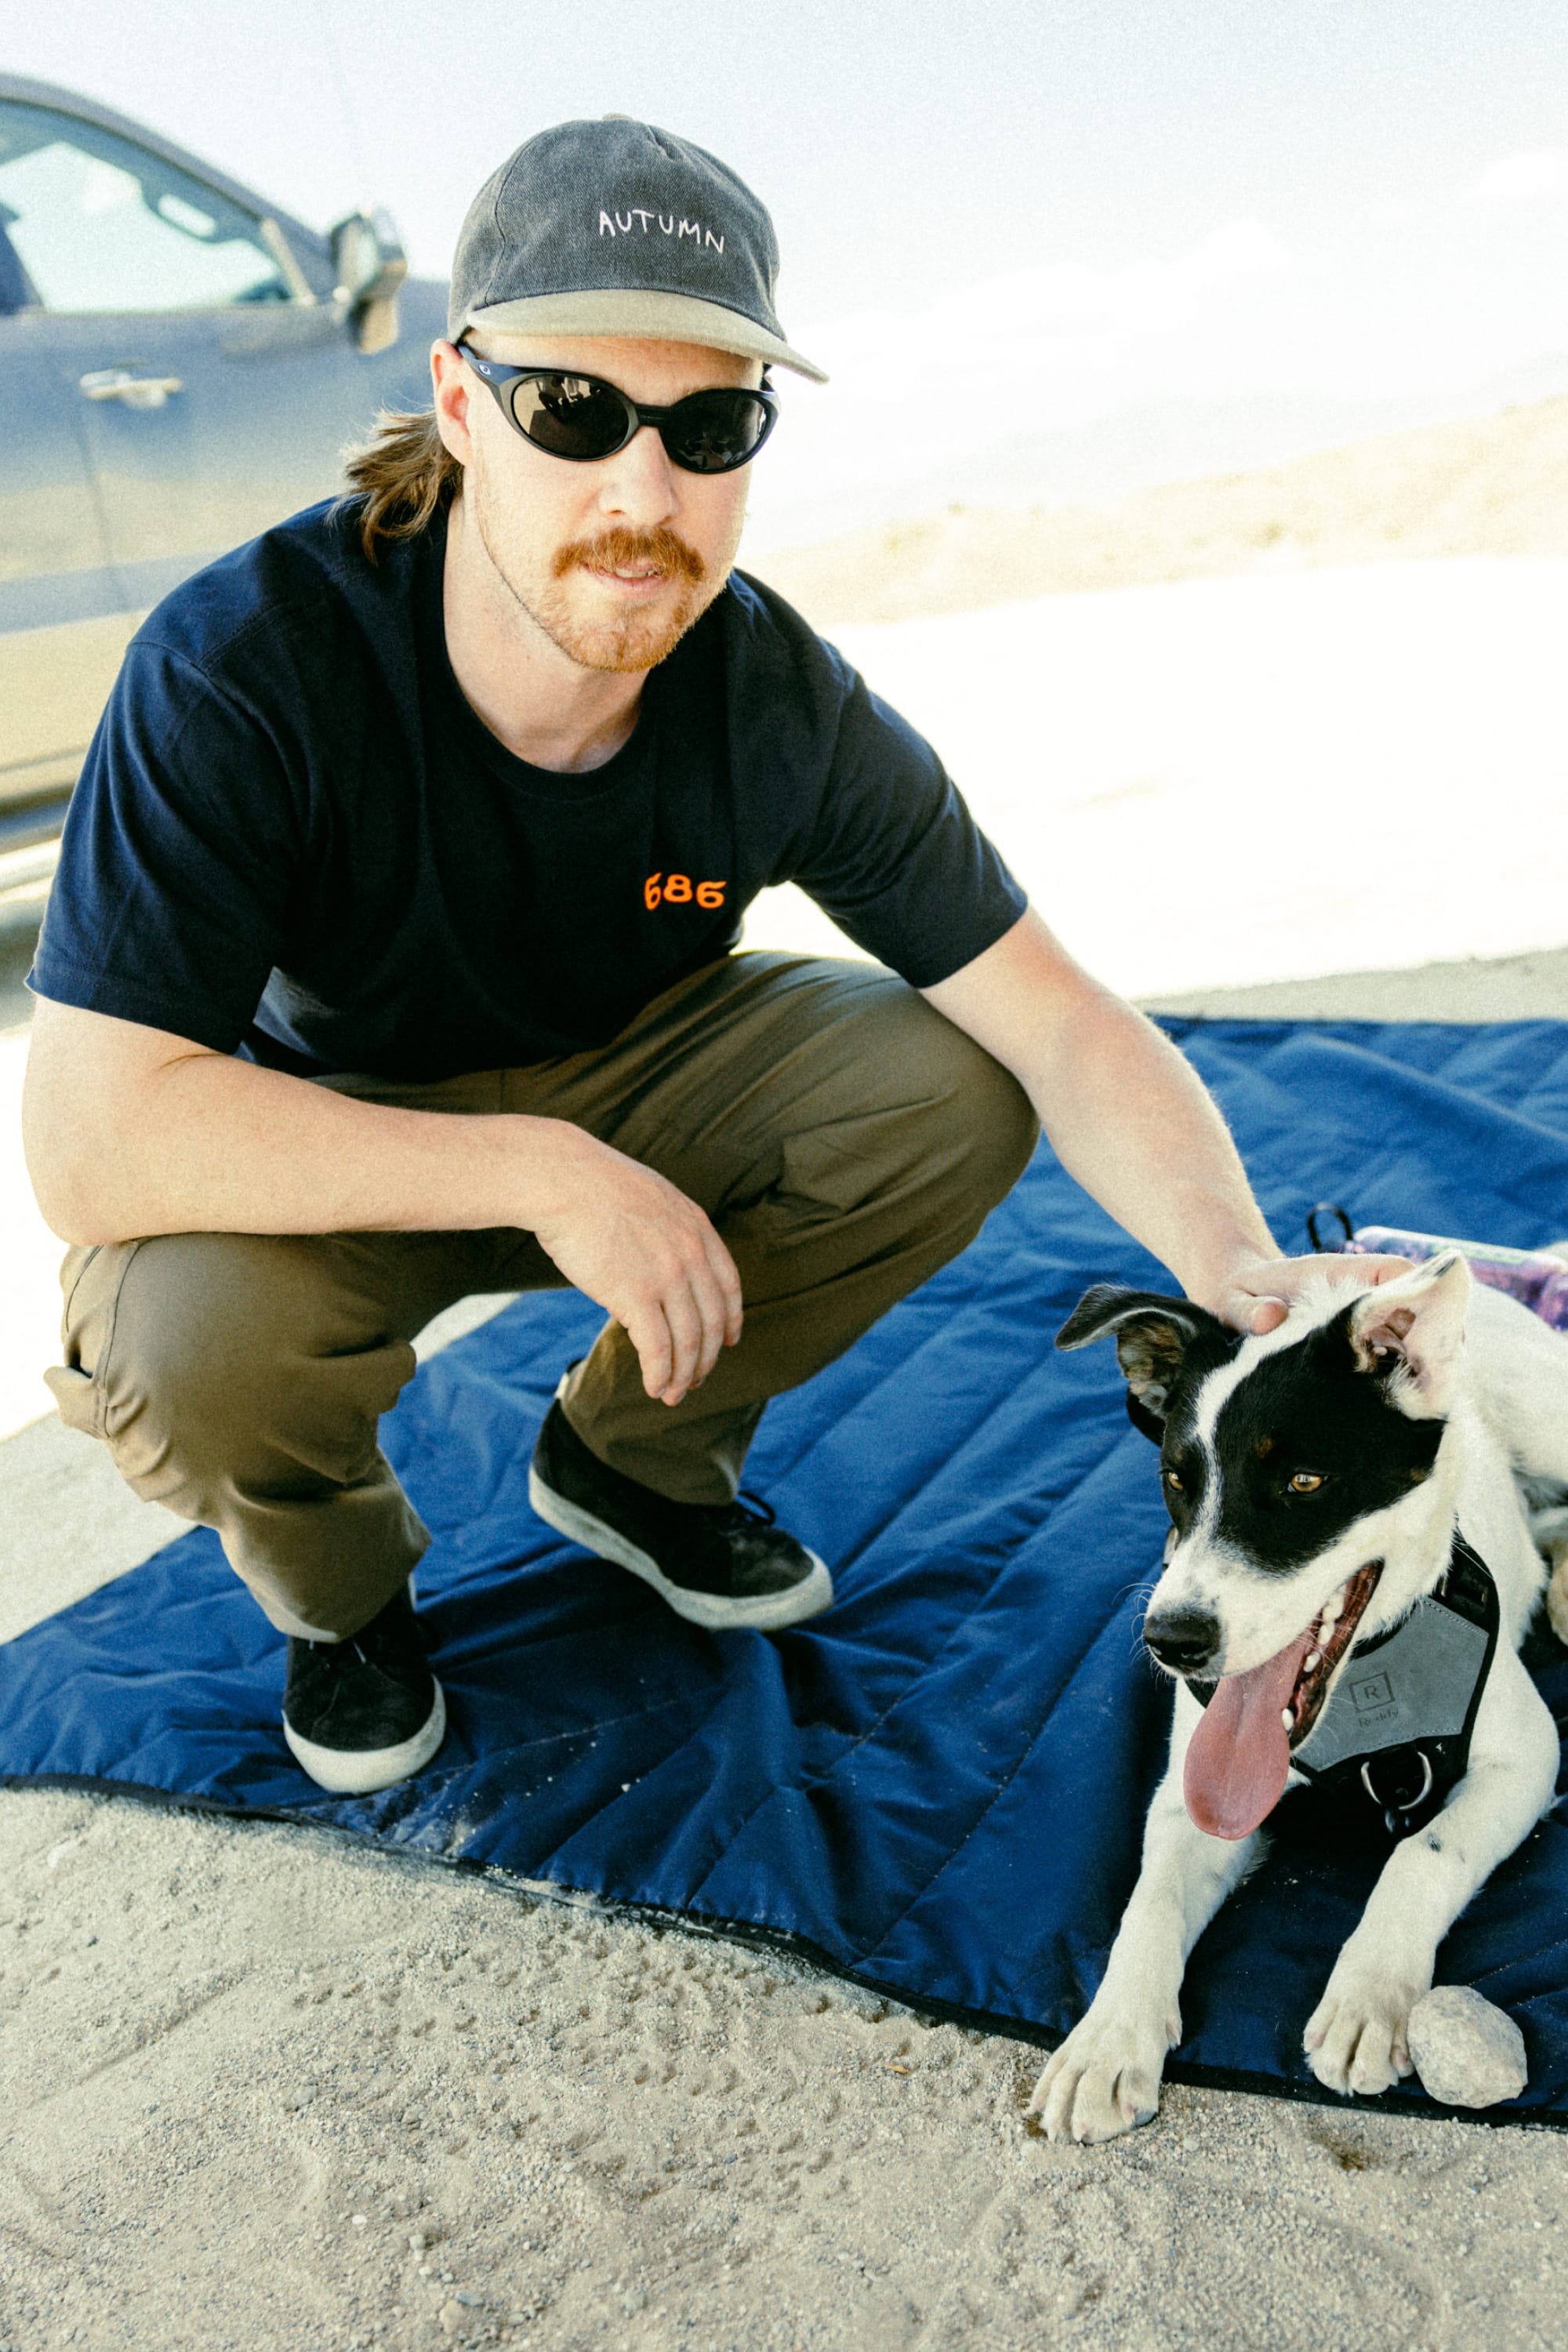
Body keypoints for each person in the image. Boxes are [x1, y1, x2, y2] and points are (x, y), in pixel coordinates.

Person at [20, 117, 1397, 1797]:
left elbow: (1057, 1021)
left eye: (708, 424)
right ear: (461, 405)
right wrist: (541, 1170)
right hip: (337, 1125)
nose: (641, 491)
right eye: (573, 413)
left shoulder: (772, 698)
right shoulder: (246, 666)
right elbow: (90, 1140)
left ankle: (634, 1462)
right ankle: (345, 1604)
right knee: (176, 1340)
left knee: (945, 1084)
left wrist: (1239, 1272)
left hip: (642, 1073)